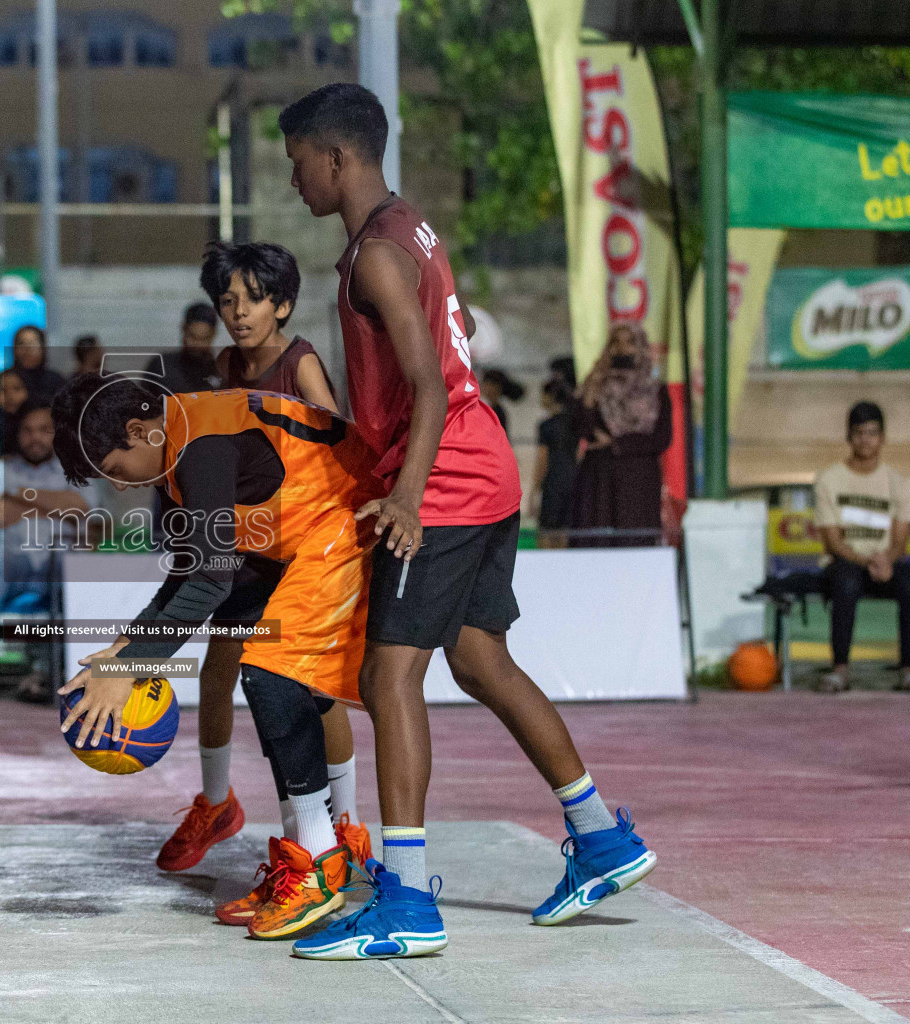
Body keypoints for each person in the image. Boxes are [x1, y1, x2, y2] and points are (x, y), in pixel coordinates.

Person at [276, 83, 655, 960]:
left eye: (299, 164)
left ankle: (406, 902)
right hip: (490, 470)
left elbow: (422, 383)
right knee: (481, 659)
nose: (296, 181)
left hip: (442, 484)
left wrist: (405, 494)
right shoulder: (414, 228)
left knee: (388, 678)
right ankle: (600, 835)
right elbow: (463, 327)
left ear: (337, 158)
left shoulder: (374, 254)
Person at [54, 377, 380, 941]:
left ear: (138, 431)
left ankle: (322, 865)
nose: (117, 485)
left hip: (345, 516)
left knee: (271, 673)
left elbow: (210, 578)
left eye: (114, 469)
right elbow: (191, 570)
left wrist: (129, 667)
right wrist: (126, 649)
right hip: (290, 532)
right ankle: (309, 856)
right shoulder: (180, 440)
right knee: (262, 673)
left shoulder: (200, 447)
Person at [152, 240, 367, 899]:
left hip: (306, 546)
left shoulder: (300, 365)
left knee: (313, 689)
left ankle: (345, 825)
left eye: (250, 300)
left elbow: (335, 453)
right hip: (249, 545)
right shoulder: (225, 364)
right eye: (227, 301)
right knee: (219, 674)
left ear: (283, 304)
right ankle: (217, 804)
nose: (237, 312)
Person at [0, 402, 98, 707]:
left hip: (58, 559)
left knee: (78, 566)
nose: (36, 438)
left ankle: (53, 675)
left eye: (44, 431)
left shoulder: (74, 469)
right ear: (18, 435)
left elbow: (81, 509)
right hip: (11, 560)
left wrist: (18, 495)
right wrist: (52, 506)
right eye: (28, 431)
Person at [813, 401, 910, 693]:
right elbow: (832, 542)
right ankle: (840, 668)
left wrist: (886, 560)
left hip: (885, 563)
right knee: (846, 582)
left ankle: (908, 669)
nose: (865, 440)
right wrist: (867, 560)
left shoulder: (899, 483)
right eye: (858, 433)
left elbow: (900, 541)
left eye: (872, 433)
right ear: (848, 436)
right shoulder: (829, 480)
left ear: (882, 438)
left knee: (909, 582)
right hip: (847, 562)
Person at [569, 324, 672, 548]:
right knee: (596, 545)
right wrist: (590, 393)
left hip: (638, 481)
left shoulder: (655, 390)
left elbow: (662, 438)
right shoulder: (595, 384)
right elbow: (581, 428)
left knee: (634, 543)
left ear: (641, 347)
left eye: (630, 342)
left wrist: (617, 443)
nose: (622, 348)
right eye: (616, 342)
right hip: (600, 478)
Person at [530, 379, 577, 548]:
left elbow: (543, 460)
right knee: (565, 530)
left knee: (547, 530)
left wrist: (535, 489)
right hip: (573, 479)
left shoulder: (546, 425)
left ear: (550, 396)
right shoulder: (574, 422)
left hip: (553, 481)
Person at [160, 303, 224, 393]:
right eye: (192, 336)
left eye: (203, 338)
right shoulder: (161, 367)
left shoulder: (222, 374)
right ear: (184, 329)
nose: (196, 344)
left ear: (213, 335)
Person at [479, 368, 524, 437]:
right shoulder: (490, 408)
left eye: (487, 384)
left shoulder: (497, 412)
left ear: (497, 387)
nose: (484, 387)